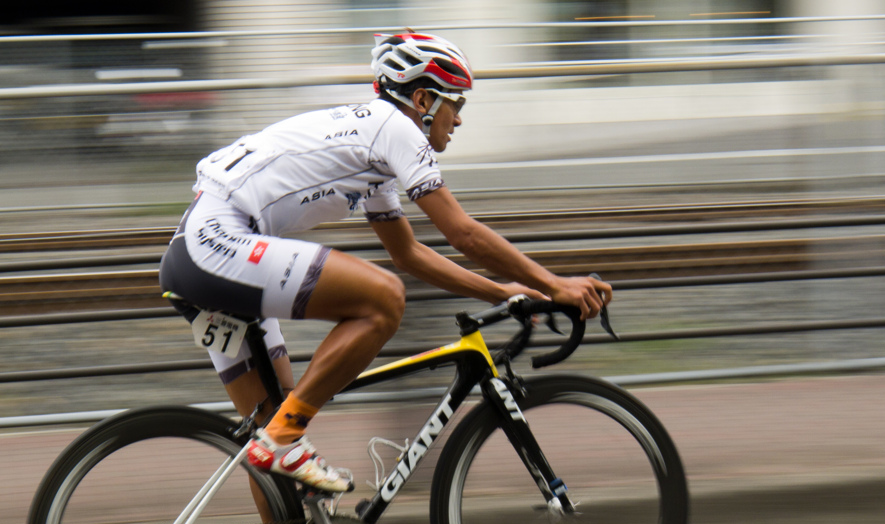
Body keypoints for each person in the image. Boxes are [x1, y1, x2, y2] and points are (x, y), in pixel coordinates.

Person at [159, 32, 611, 494]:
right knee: (383, 299)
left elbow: (409, 253)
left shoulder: (372, 149)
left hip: (199, 252)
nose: (458, 120)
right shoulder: (395, 129)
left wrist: (507, 293)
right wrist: (555, 284)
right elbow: (462, 233)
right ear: (422, 99)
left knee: (273, 434)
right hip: (218, 242)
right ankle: (283, 437)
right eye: (456, 104)